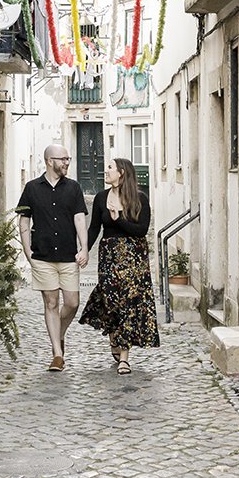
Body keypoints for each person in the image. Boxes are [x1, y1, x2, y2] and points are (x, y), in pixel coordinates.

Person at [79, 157, 160, 374]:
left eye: (110, 168)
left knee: (128, 303)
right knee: (110, 300)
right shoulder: (100, 198)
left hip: (134, 259)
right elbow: (94, 227)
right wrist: (85, 249)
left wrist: (118, 219)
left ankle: (124, 357)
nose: (106, 172)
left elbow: (141, 230)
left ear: (121, 172)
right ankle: (116, 336)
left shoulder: (140, 199)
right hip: (109, 257)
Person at [15, 143, 88, 372]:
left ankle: (60, 332)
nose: (67, 162)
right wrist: (28, 251)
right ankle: (57, 354)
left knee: (72, 303)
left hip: (68, 255)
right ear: (49, 161)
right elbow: (24, 221)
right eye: (63, 159)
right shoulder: (31, 188)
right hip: (43, 256)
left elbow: (79, 219)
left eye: (68, 158)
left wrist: (84, 247)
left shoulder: (74, 188)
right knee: (51, 302)